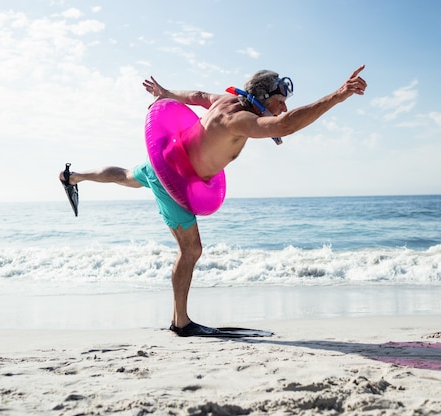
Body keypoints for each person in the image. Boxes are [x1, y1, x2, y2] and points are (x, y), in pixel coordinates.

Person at [59, 65, 367, 336]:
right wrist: (338, 95)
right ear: (267, 97)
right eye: (281, 102)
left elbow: (195, 94)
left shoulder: (225, 100)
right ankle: (180, 323)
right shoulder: (239, 120)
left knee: (128, 175)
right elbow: (285, 126)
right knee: (191, 250)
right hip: (174, 181)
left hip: (165, 158)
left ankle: (73, 177)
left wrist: (166, 92)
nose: (284, 108)